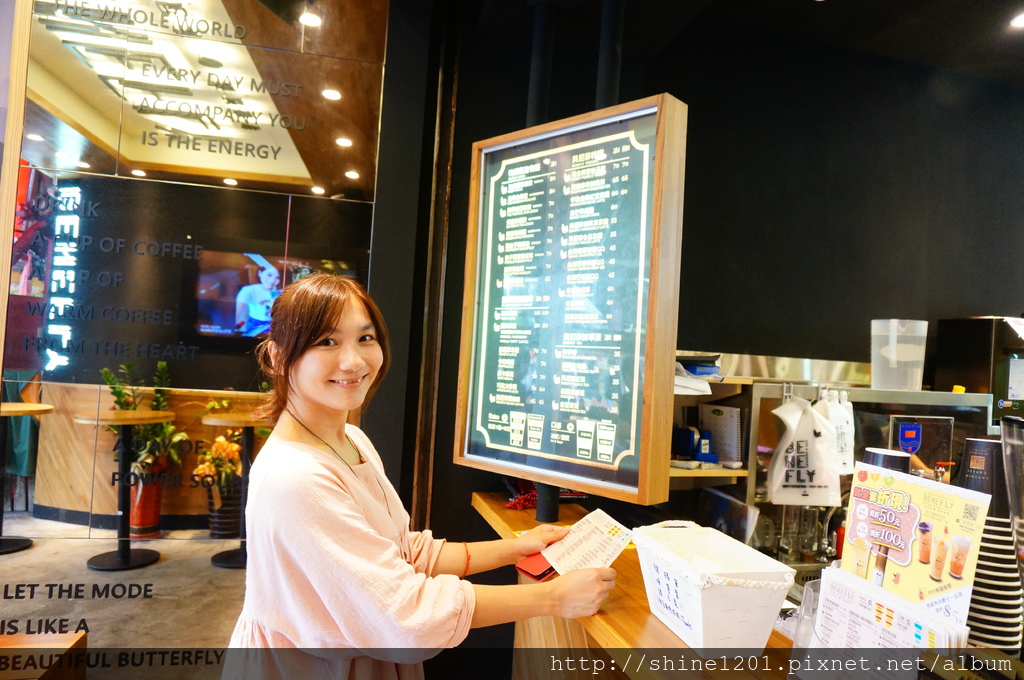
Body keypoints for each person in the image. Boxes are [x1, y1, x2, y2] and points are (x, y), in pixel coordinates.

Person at [224, 273, 616, 679]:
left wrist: (516, 549)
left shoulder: (352, 440)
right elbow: (402, 615)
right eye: (326, 341)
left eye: (365, 338)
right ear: (276, 356)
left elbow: (401, 554)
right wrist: (553, 598)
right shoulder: (296, 477)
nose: (354, 361)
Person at [234, 266, 281, 336]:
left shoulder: (280, 292)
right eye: (269, 275)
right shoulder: (248, 291)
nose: (272, 280)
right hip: (255, 327)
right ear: (260, 273)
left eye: (277, 278)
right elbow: (236, 316)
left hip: (274, 327)